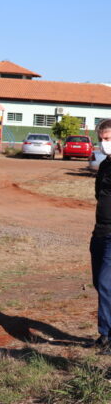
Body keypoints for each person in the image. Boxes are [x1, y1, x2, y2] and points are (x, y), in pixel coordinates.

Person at [90, 119, 111, 355]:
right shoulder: (105, 165)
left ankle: (108, 336)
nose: (104, 143)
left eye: (109, 139)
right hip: (100, 231)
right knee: (99, 283)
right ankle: (105, 334)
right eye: (102, 139)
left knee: (107, 284)